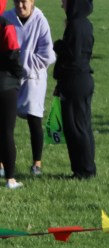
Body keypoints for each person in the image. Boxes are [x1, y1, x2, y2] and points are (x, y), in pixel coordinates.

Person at [1, 0, 55, 179]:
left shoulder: (40, 20)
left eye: (24, 1)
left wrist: (25, 64)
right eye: (16, 1)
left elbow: (47, 54)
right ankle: (2, 163)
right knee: (5, 123)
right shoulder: (6, 18)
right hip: (10, 77)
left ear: (32, 2)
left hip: (33, 78)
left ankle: (36, 163)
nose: (20, 5)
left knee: (34, 118)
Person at [52, 0, 93, 179]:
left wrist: (58, 45)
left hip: (74, 81)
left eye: (65, 2)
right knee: (83, 126)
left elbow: (71, 56)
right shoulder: (86, 24)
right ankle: (86, 167)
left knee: (75, 128)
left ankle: (83, 171)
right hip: (84, 79)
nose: (62, 6)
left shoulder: (75, 25)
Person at [0, 0, 25, 189]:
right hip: (5, 84)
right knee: (7, 132)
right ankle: (10, 178)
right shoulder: (5, 25)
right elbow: (13, 54)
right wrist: (18, 75)